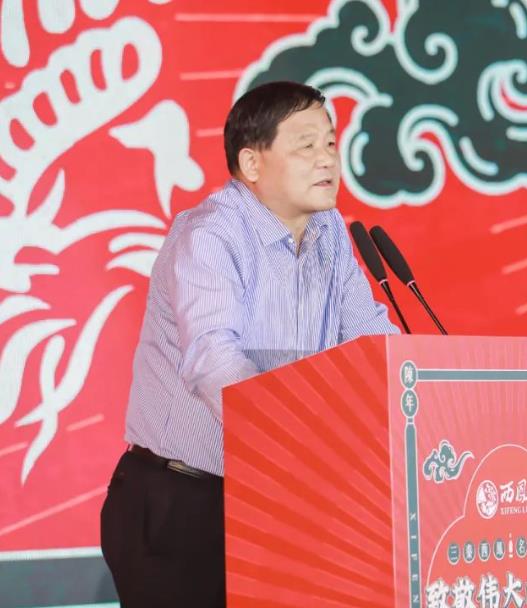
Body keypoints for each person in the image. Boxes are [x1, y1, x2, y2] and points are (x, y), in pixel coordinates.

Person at [100, 81, 398, 607]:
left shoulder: (329, 233)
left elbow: (372, 344)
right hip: (182, 504)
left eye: (331, 142)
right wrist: (307, 446)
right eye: (306, 144)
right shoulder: (211, 234)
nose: (327, 158)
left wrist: (417, 393)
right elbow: (215, 364)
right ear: (252, 163)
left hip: (280, 502)